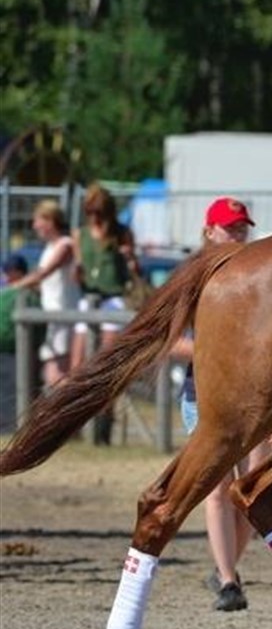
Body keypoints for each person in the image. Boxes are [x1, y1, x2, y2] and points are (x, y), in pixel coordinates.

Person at [174, 197, 272, 610]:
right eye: (229, 227)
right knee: (218, 489)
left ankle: (227, 568)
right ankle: (227, 580)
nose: (237, 234)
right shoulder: (192, 276)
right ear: (209, 231)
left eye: (241, 227)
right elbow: (170, 342)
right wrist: (217, 353)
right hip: (205, 394)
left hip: (254, 397)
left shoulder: (261, 273)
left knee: (250, 492)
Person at [71, 184, 139, 444]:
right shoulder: (80, 235)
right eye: (90, 213)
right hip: (89, 298)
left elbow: (135, 272)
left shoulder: (122, 233)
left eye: (98, 213)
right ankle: (74, 423)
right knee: (77, 364)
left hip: (113, 299)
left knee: (107, 361)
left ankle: (103, 427)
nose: (95, 218)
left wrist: (130, 258)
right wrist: (77, 272)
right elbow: (79, 271)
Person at [8, 202, 80, 388]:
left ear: (50, 221)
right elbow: (43, 283)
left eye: (37, 220)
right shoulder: (49, 248)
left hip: (63, 316)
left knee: (57, 375)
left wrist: (12, 287)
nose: (34, 226)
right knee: (50, 374)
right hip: (50, 317)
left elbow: (44, 273)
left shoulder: (65, 245)